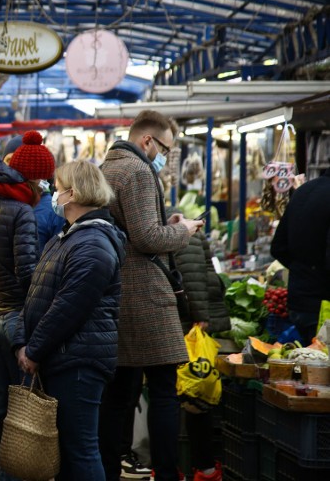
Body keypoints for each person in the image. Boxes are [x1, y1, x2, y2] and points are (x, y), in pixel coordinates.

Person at [99, 110, 205, 481]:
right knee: (162, 390)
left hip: (116, 292)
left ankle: (109, 471)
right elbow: (147, 239)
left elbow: (135, 229)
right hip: (145, 294)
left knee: (119, 394)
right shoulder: (139, 171)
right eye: (165, 148)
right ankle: (165, 471)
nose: (165, 157)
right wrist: (185, 230)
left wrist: (166, 224)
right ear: (148, 140)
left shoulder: (107, 166)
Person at [14, 160, 125, 481]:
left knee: (81, 451)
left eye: (57, 187)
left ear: (72, 193)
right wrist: (24, 341)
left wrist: (33, 350)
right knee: (68, 453)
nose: (53, 193)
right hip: (62, 357)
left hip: (78, 363)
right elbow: (37, 293)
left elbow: (68, 307)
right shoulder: (69, 236)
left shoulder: (92, 244)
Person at [0, 131, 54, 481]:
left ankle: (3, 468)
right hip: (20, 316)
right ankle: (13, 472)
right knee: (23, 404)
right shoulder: (27, 209)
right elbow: (29, 270)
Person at [169, 207, 229, 481]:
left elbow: (194, 275)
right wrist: (202, 317)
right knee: (195, 398)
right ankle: (202, 466)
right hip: (189, 324)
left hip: (183, 325)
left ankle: (177, 465)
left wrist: (200, 318)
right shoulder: (184, 229)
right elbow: (200, 275)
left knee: (182, 396)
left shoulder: (171, 229)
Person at [270, 166, 330, 341]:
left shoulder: (303, 191)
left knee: (306, 363)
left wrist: (302, 269)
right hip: (323, 307)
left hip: (298, 302)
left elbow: (278, 247)